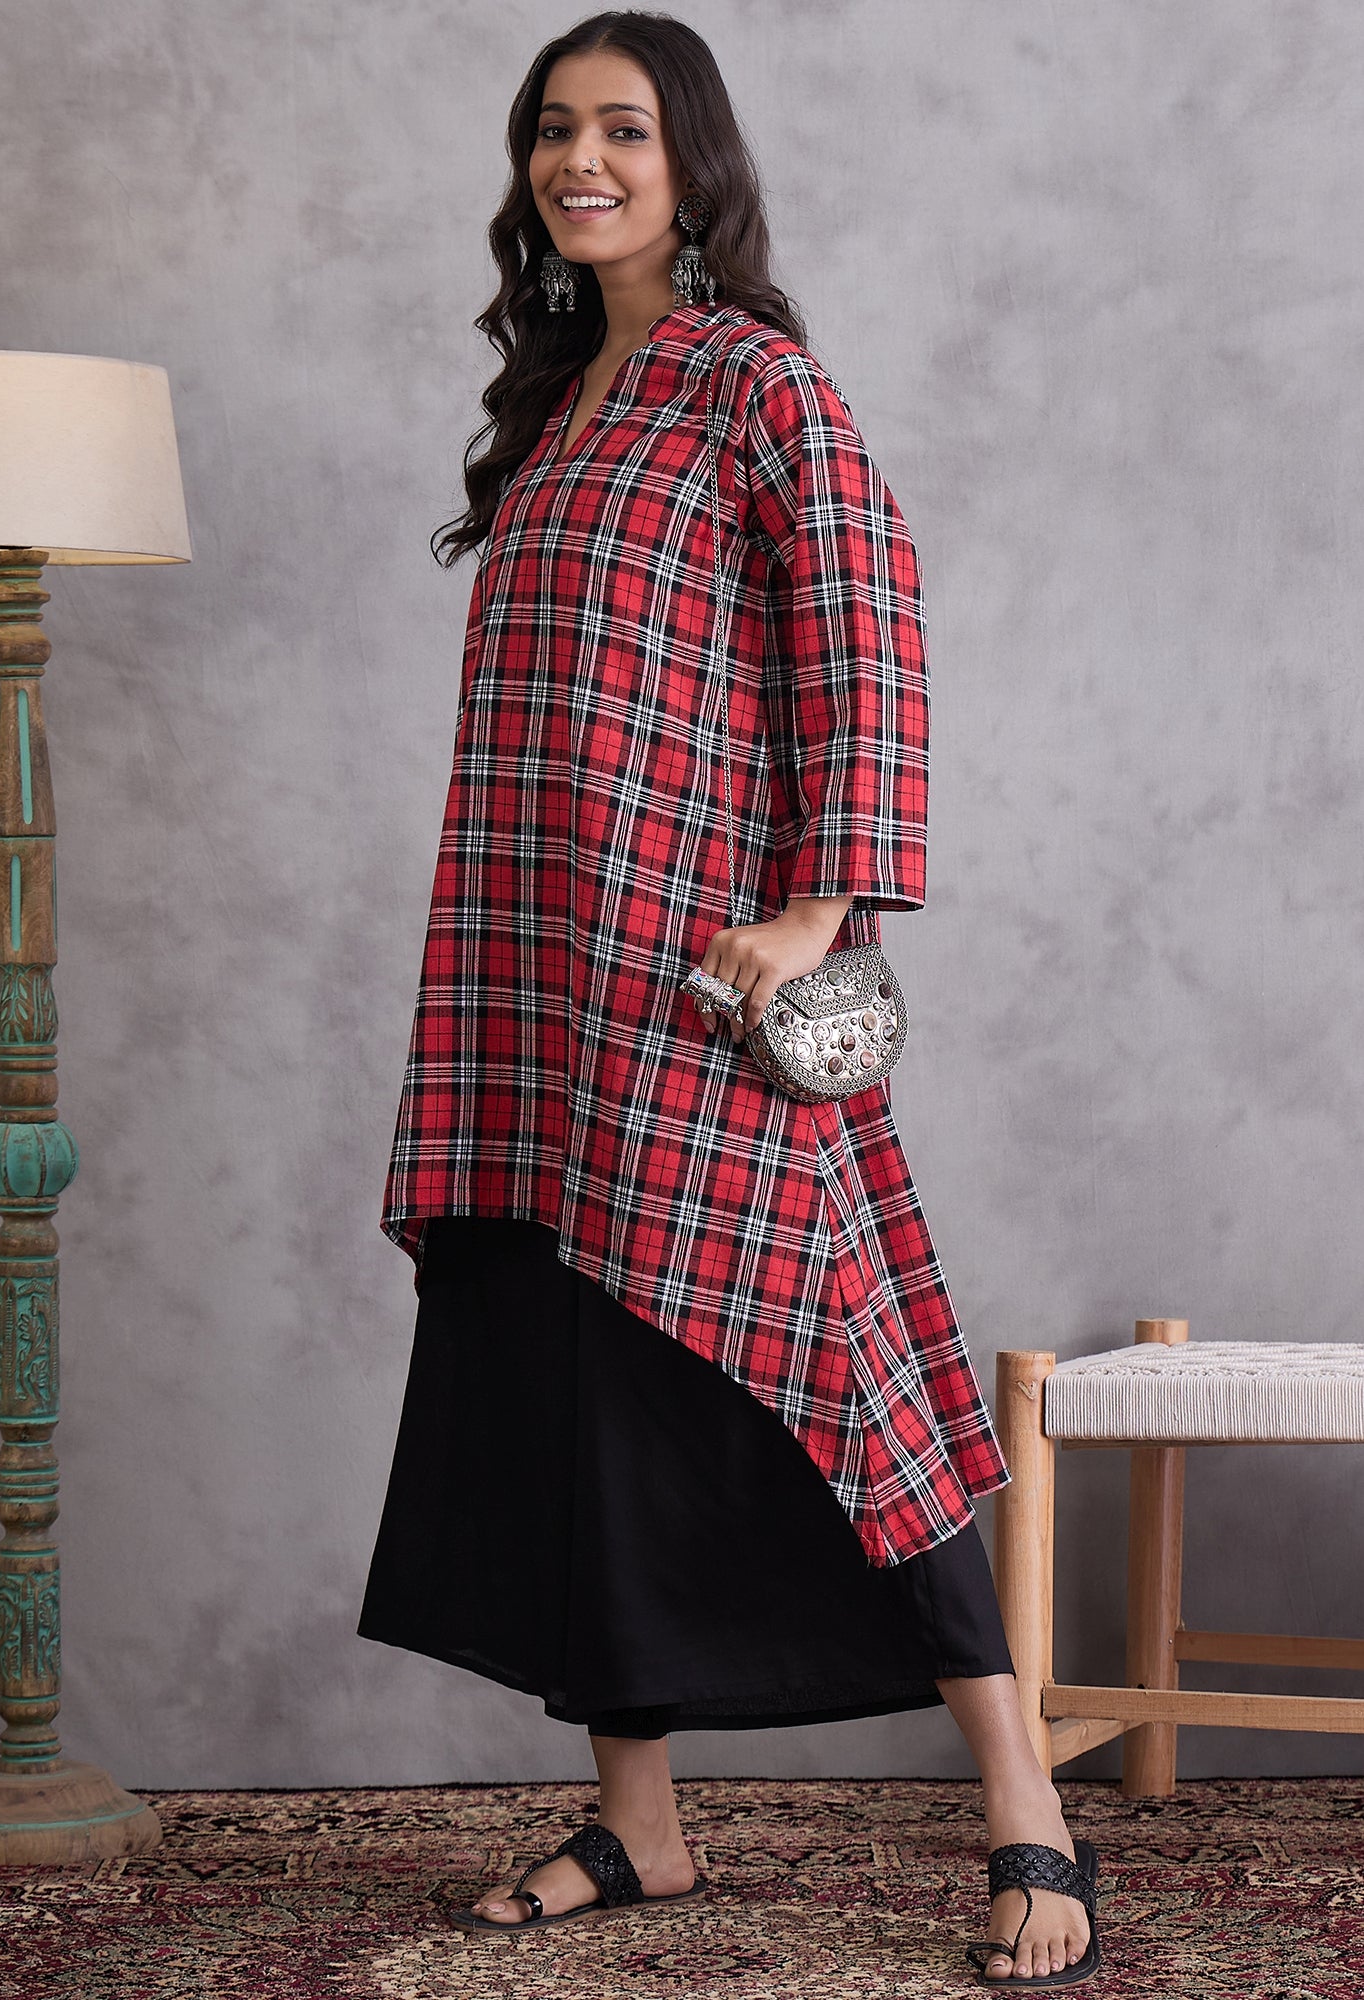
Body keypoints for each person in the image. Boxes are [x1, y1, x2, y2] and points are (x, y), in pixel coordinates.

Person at [359, 11, 1101, 1987]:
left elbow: (870, 624)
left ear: (692, 159)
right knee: (581, 1377)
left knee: (847, 1357)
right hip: (538, 978)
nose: (579, 160)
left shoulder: (750, 378)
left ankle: (1028, 1809)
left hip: (701, 971)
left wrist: (820, 905)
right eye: (553, 129)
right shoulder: (561, 404)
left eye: (622, 128)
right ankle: (642, 1824)